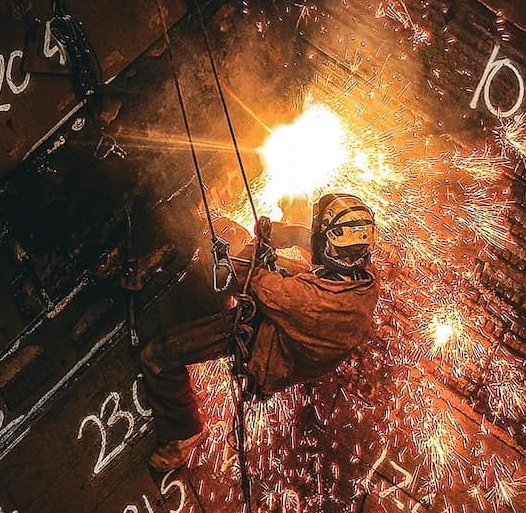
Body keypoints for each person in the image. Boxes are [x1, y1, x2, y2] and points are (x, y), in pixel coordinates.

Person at [141, 193, 379, 470]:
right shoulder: (364, 273)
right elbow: (313, 247)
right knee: (251, 260)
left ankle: (184, 433)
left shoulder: (299, 298)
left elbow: (252, 278)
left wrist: (254, 248)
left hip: (267, 347)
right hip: (305, 327)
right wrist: (285, 234)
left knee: (156, 356)